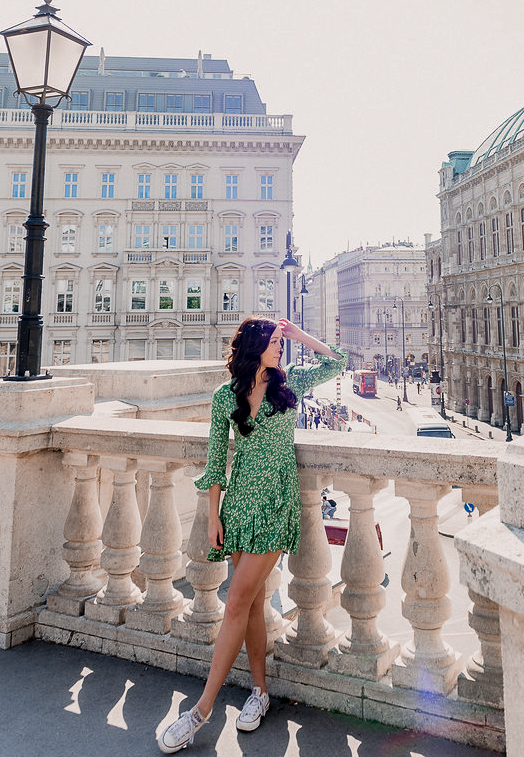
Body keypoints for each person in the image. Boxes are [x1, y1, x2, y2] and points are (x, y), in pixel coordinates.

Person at [157, 316, 347, 753]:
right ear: (254, 346)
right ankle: (259, 693)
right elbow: (215, 459)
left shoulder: (290, 384)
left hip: (275, 506)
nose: (280, 348)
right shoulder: (225, 398)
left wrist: (301, 336)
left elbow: (341, 362)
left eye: (283, 342)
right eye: (276, 342)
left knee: (237, 600)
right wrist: (212, 516)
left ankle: (200, 712)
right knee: (255, 603)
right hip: (238, 506)